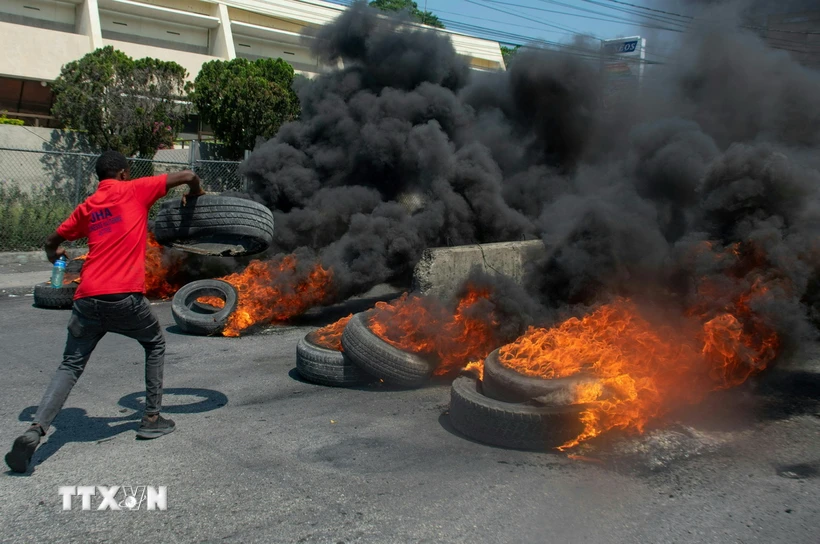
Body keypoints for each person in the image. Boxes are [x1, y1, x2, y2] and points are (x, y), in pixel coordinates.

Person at [5, 151, 204, 473]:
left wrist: (54, 254)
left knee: (70, 365)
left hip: (86, 299)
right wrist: (196, 193)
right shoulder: (135, 189)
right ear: (124, 173)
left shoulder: (89, 206)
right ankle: (151, 418)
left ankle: (35, 430)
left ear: (101, 176)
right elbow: (186, 175)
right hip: (124, 297)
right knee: (154, 344)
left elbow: (52, 240)